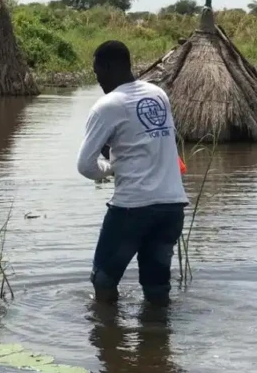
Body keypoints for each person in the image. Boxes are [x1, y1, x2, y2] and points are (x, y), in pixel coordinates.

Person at [77, 41, 189, 305]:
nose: (97, 79)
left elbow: (86, 166)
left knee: (103, 280)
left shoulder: (107, 105)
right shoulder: (158, 95)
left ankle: (107, 329)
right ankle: (157, 329)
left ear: (107, 67)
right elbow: (147, 144)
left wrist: (111, 168)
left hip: (132, 210)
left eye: (97, 72)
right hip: (172, 208)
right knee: (157, 284)